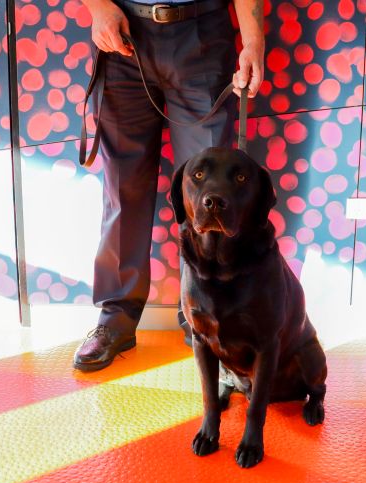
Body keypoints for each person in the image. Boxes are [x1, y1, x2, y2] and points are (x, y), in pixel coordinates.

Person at [74, 0, 265, 371]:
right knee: (121, 188)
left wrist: (254, 41)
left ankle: (206, 323)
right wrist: (97, 7)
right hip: (121, 34)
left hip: (203, 34)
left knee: (211, 197)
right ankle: (116, 317)